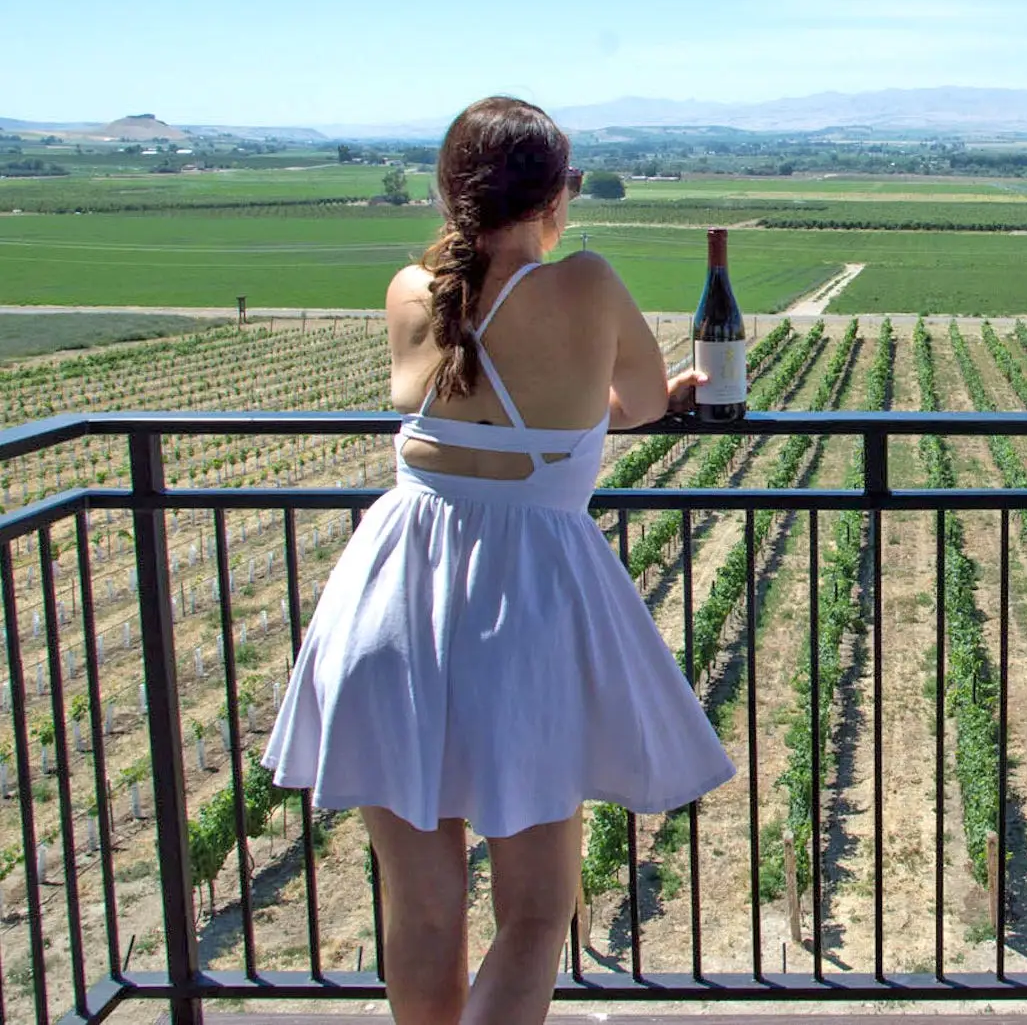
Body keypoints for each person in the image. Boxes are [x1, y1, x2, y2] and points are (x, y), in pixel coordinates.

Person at [264, 97, 735, 1025]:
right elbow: (638, 403)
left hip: (391, 600)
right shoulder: (587, 282)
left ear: (450, 194)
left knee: (425, 910)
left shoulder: (411, 291)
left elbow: (467, 378)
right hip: (521, 611)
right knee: (531, 913)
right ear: (558, 194)